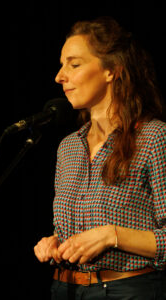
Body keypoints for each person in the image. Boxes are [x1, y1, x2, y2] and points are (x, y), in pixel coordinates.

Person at [33, 16, 166, 299]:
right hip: (64, 288)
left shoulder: (154, 137)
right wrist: (55, 242)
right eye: (61, 65)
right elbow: (70, 228)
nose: (60, 76)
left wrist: (110, 235)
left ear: (111, 71)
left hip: (126, 289)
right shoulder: (68, 148)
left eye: (74, 64)